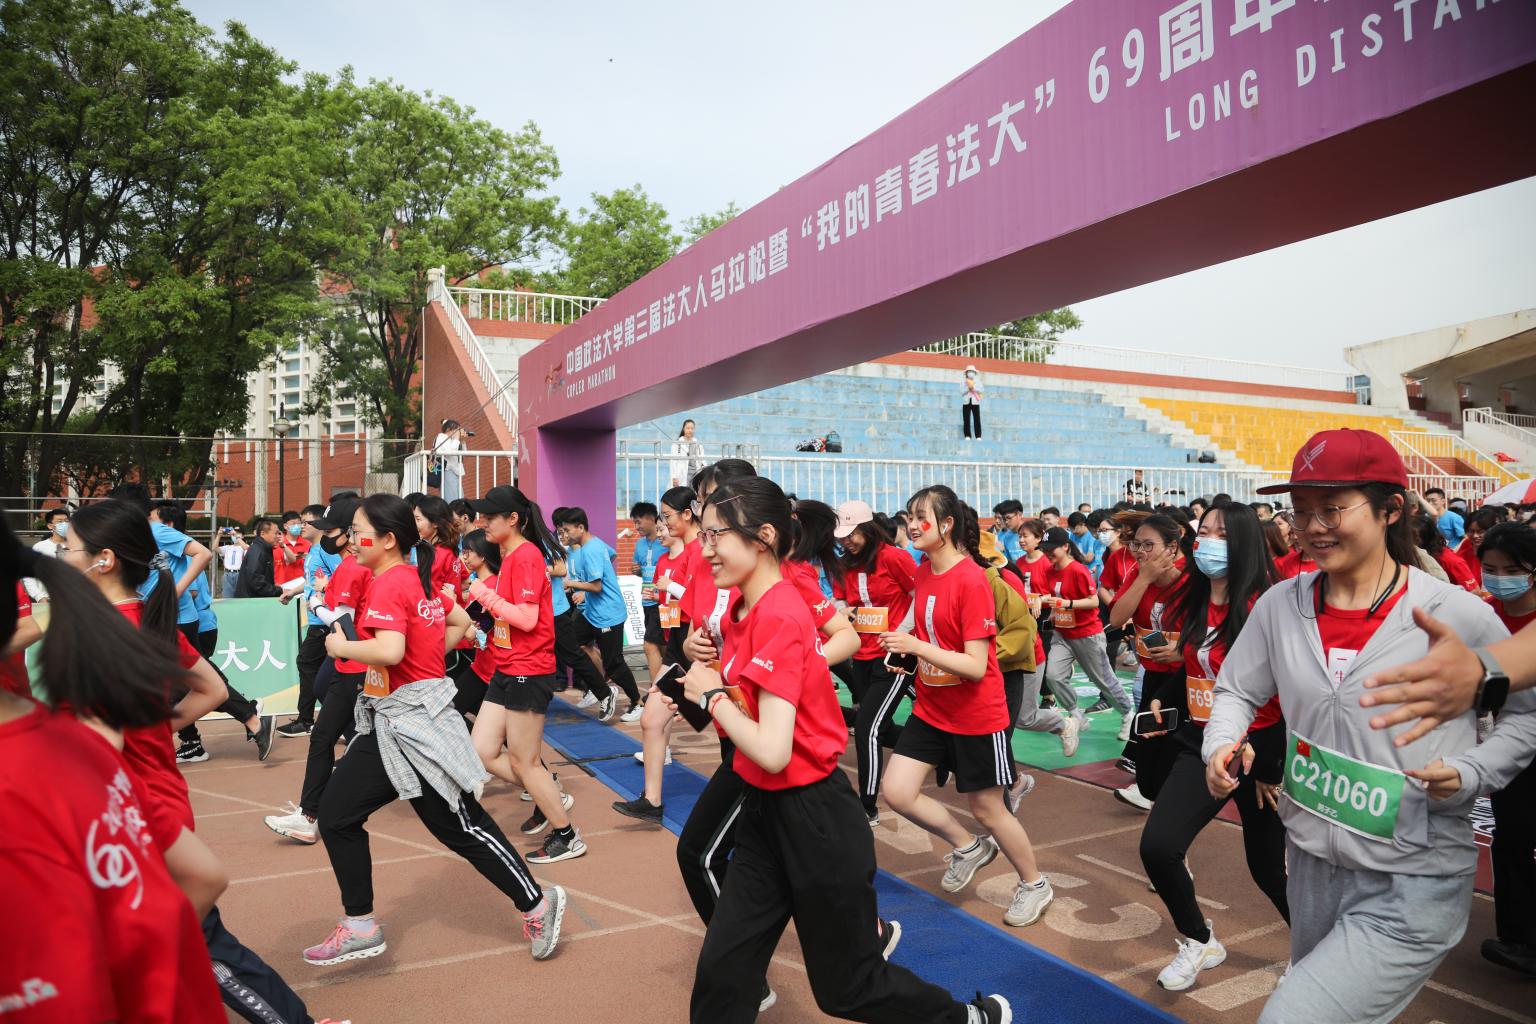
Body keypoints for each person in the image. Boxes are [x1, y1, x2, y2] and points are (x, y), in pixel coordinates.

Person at [1204, 429, 1536, 1024]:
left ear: (1391, 509)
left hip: (1413, 872)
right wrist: (1222, 740)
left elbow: (1524, 714)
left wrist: (1471, 771)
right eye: (1301, 511)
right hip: (1312, 861)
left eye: (1332, 508)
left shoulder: (1455, 613)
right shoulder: (1280, 606)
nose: (1312, 527)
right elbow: (1236, 688)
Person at [659, 476, 1011, 1024]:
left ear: (763, 537)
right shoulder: (739, 612)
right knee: (723, 974)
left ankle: (968, 1019)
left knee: (848, 991)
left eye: (715, 535)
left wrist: (713, 697)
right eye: (702, 535)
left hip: (815, 819)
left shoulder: (781, 613)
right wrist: (703, 678)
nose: (704, 551)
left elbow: (774, 750)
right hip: (762, 813)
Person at [305, 493, 567, 965]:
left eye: (360, 532)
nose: (352, 541)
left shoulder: (390, 583)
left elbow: (389, 651)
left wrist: (340, 647)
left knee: (460, 826)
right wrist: (424, 661)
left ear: (388, 539)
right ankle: (360, 924)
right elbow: (460, 621)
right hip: (393, 720)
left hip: (417, 723)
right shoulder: (414, 577)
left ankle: (537, 903)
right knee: (338, 814)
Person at [0, 525, 229, 1022]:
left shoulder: (99, 642)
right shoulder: (136, 622)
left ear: (104, 558)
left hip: (130, 805)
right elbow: (213, 690)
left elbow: (109, 739)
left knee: (214, 949)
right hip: (143, 802)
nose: (59, 553)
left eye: (67, 547)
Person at [880, 485, 1055, 931]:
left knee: (988, 809)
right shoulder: (924, 571)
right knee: (897, 792)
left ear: (947, 524)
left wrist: (917, 647)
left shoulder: (973, 580)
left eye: (921, 516)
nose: (911, 525)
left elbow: (977, 666)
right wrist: (903, 647)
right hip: (931, 707)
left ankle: (1034, 883)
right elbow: (923, 628)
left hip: (976, 714)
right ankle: (968, 846)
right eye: (909, 516)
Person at [1136, 502, 1289, 992]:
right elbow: (1195, 665)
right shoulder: (1196, 599)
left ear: (1244, 541)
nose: (1207, 542)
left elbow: (1288, 693)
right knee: (1159, 846)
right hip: (1201, 743)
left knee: (1269, 869)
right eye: (1204, 532)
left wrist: (1270, 767)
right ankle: (1200, 941)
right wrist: (1163, 699)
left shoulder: (1266, 606)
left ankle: (1313, 949)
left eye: (1221, 533)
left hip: (1256, 749)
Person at [464, 485, 588, 863]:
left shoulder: (527, 556)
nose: (483, 522)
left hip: (528, 669)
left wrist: (483, 595)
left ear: (513, 519)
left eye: (490, 516)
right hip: (507, 666)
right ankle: (547, 792)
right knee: (482, 751)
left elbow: (527, 618)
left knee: (524, 762)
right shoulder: (510, 554)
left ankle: (566, 835)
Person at [264, 498, 370, 846]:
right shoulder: (358, 564)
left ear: (350, 532)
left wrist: (317, 603)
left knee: (327, 738)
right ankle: (311, 813)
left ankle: (310, 815)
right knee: (331, 735)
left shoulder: (357, 567)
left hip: (355, 663)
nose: (326, 536)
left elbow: (345, 622)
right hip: (352, 662)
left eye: (332, 530)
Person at [1474, 521, 1536, 977]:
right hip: (1507, 745)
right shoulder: (1481, 618)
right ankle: (1518, 938)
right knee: (1512, 835)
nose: (1499, 579)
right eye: (1491, 569)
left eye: (1512, 570)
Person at [831, 499, 919, 823]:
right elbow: (840, 601)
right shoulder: (844, 565)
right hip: (862, 655)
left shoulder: (895, 558)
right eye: (842, 536)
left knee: (868, 727)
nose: (847, 541)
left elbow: (919, 597)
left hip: (895, 656)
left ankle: (867, 807)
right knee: (881, 725)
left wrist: (902, 633)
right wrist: (843, 610)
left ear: (868, 529)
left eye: (852, 534)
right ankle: (941, 751)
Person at [1110, 514, 1192, 807]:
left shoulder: (1195, 578)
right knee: (1149, 752)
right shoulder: (1138, 574)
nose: (1140, 551)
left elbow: (1217, 632)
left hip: (1187, 678)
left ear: (1172, 547)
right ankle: (1153, 795)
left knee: (1173, 750)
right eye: (1136, 544)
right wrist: (1144, 578)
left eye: (1148, 545)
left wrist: (1184, 651)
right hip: (1153, 675)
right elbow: (1117, 618)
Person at [1042, 525, 1135, 741]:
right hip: (1062, 634)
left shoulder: (1078, 570)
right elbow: (1056, 598)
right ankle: (1075, 714)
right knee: (1053, 676)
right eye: (1045, 549)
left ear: (1066, 547)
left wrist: (1067, 604)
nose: (1047, 554)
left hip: (1086, 634)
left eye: (1051, 549)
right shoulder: (1049, 571)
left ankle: (1127, 713)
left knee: (1103, 679)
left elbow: (1093, 601)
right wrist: (1052, 611)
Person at [558, 507, 641, 718]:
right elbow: (610, 556)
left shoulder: (591, 549)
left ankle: (637, 702)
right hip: (591, 613)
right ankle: (599, 689)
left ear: (580, 528)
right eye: (562, 531)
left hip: (608, 614)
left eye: (567, 530)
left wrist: (571, 584)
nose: (565, 535)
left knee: (614, 665)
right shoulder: (591, 545)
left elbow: (596, 586)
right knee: (570, 645)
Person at [277, 504, 342, 737]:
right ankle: (326, 719)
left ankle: (308, 720)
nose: (301, 526)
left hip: (325, 622)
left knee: (307, 664)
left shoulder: (326, 550)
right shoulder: (314, 550)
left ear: (320, 525)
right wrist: (292, 592)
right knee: (320, 669)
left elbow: (342, 577)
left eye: (306, 522)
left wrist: (324, 595)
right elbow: (311, 580)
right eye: (300, 522)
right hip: (318, 620)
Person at [631, 501, 667, 692]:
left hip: (664, 601)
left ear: (652, 519)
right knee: (662, 647)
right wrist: (636, 570)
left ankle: (657, 690)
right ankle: (669, 686)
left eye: (639, 522)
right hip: (647, 601)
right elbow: (639, 570)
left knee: (651, 645)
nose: (637, 527)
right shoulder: (639, 545)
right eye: (634, 523)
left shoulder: (666, 542)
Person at [235, 518, 283, 598]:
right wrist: (278, 590)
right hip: (251, 601)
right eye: (276, 533)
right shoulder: (258, 551)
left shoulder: (263, 549)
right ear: (262, 533)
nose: (278, 536)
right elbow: (256, 583)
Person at [432, 419, 467, 503]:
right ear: (448, 429)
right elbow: (450, 451)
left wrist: (462, 441)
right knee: (451, 499)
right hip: (447, 471)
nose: (458, 432)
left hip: (456, 472)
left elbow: (464, 453)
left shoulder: (453, 440)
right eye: (457, 430)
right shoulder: (441, 437)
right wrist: (457, 438)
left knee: (459, 498)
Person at [273, 511, 310, 589]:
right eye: (293, 523)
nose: (297, 526)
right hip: (281, 587)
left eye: (299, 523)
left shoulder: (307, 544)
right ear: (285, 526)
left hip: (302, 587)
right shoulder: (276, 544)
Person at [669, 418, 706, 487]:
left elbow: (702, 460)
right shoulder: (677, 444)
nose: (690, 430)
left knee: (694, 492)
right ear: (684, 429)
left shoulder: (698, 444)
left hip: (695, 474)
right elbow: (673, 462)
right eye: (688, 428)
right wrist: (674, 477)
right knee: (683, 492)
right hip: (682, 474)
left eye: (692, 428)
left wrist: (704, 472)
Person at [218, 527, 247, 598]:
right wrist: (218, 535)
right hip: (227, 574)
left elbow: (246, 548)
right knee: (227, 598)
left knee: (240, 598)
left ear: (243, 536)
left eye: (238, 533)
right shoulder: (228, 547)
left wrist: (236, 536)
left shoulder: (244, 546)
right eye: (233, 533)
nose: (234, 534)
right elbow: (214, 548)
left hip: (239, 574)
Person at [960, 365, 983, 439]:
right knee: (966, 419)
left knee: (977, 419)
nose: (971, 373)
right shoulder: (963, 382)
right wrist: (968, 388)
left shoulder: (978, 382)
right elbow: (961, 391)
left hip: (975, 402)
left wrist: (974, 388)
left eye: (972, 371)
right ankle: (967, 435)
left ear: (975, 373)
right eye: (969, 371)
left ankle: (978, 436)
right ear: (966, 373)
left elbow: (981, 390)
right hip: (966, 402)